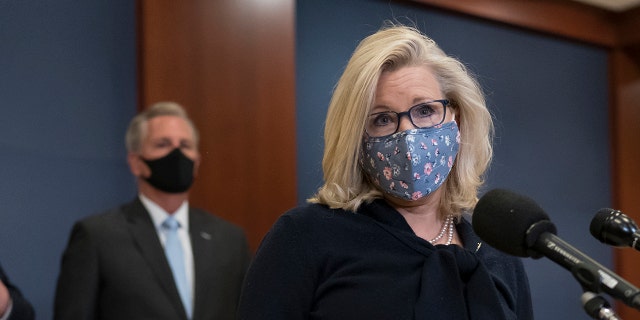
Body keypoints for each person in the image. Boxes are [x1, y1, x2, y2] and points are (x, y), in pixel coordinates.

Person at [237, 24, 533, 319]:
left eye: (425, 111)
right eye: (382, 119)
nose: (407, 133)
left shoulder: (498, 254)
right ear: (357, 140)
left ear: (456, 119)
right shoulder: (304, 237)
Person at [54, 102, 251, 320]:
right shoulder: (97, 236)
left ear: (197, 162)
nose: (177, 154)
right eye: (162, 144)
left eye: (185, 145)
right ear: (136, 162)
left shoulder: (230, 240)